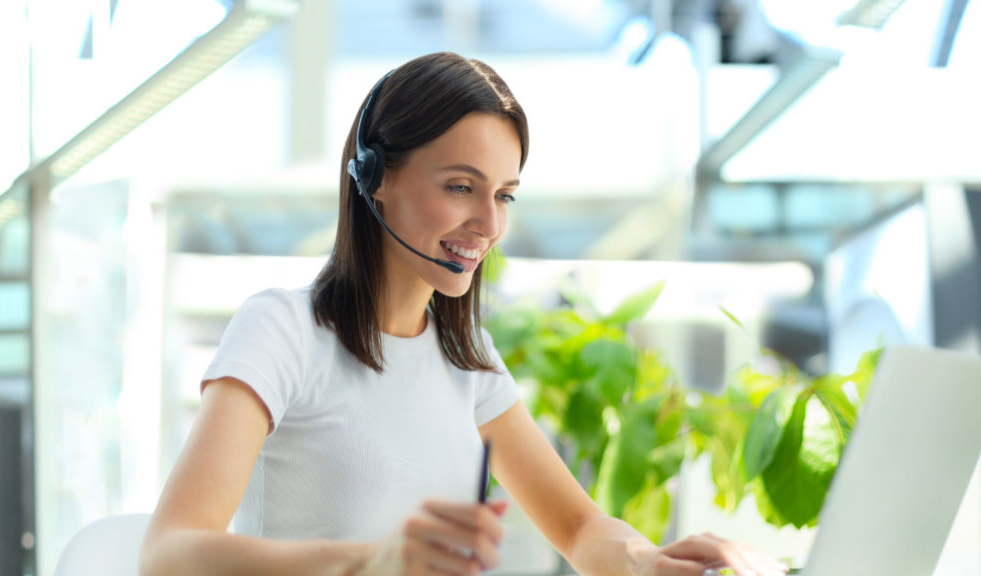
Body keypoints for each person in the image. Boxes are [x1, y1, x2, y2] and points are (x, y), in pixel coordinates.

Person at [139, 52, 789, 576]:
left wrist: (650, 561)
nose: (489, 222)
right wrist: (374, 564)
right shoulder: (283, 332)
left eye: (504, 194)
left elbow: (581, 528)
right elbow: (168, 555)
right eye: (460, 187)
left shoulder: (464, 357)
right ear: (375, 177)